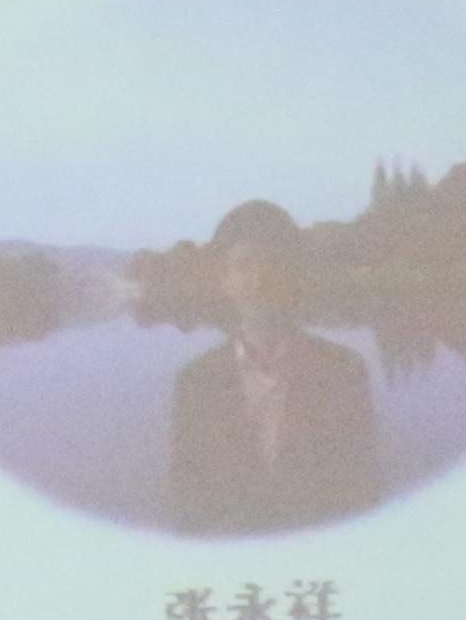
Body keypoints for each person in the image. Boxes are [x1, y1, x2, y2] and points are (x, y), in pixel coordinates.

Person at [161, 202, 383, 536]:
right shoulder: (196, 382)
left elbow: (361, 491)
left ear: (294, 275)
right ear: (224, 280)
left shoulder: (343, 371)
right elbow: (188, 504)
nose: (259, 281)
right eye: (244, 266)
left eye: (273, 265)